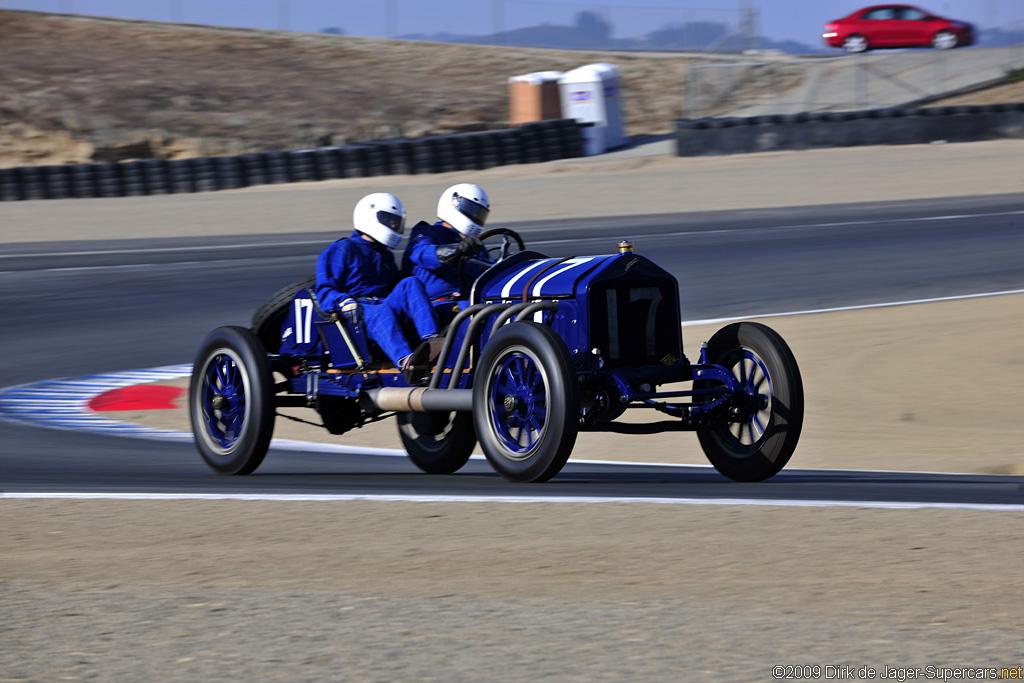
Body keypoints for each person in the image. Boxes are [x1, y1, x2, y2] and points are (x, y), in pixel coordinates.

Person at [315, 192, 439, 374]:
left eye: (396, 222)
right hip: (357, 310)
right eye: (389, 220)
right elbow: (324, 292)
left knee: (411, 283)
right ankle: (406, 361)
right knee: (382, 311)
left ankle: (433, 342)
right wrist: (343, 301)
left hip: (382, 304)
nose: (394, 226)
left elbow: (397, 287)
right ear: (369, 216)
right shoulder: (342, 249)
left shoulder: (384, 254)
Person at [401, 183, 493, 303]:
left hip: (468, 301)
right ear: (454, 204)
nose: (476, 217)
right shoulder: (427, 232)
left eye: (480, 214)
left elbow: (489, 270)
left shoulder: (473, 244)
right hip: (435, 304)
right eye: (472, 211)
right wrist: (456, 250)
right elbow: (421, 252)